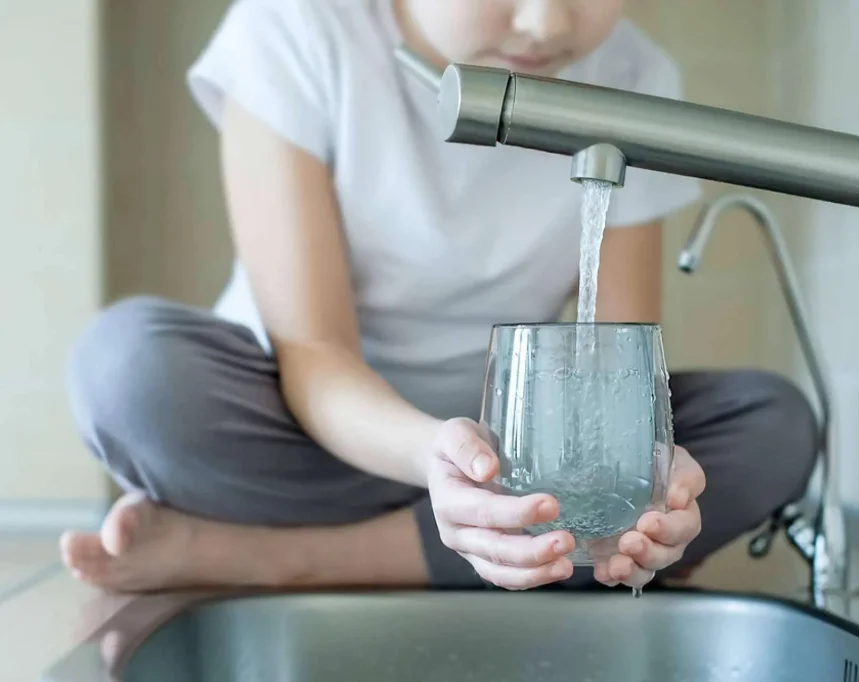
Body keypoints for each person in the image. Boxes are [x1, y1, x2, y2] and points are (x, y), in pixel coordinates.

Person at [59, 0, 817, 594]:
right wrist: (432, 459)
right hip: (299, 428)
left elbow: (610, 374)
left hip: (513, 456)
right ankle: (486, 552)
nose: (545, 22)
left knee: (774, 425)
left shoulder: (637, 78)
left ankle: (258, 553)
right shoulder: (293, 29)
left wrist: (644, 480)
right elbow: (313, 352)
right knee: (133, 372)